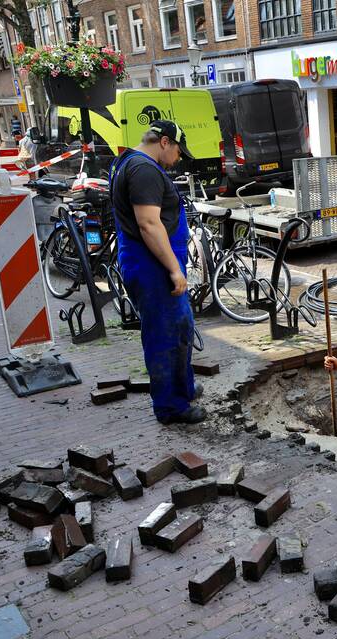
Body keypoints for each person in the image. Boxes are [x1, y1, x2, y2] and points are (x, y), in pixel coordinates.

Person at [109, 120, 205, 424]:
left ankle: (183, 388)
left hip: (150, 263)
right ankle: (170, 406)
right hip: (153, 267)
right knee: (165, 336)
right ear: (165, 142)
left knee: (181, 328)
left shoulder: (127, 162)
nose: (178, 159)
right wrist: (174, 269)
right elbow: (149, 224)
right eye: (178, 151)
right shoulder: (144, 170)